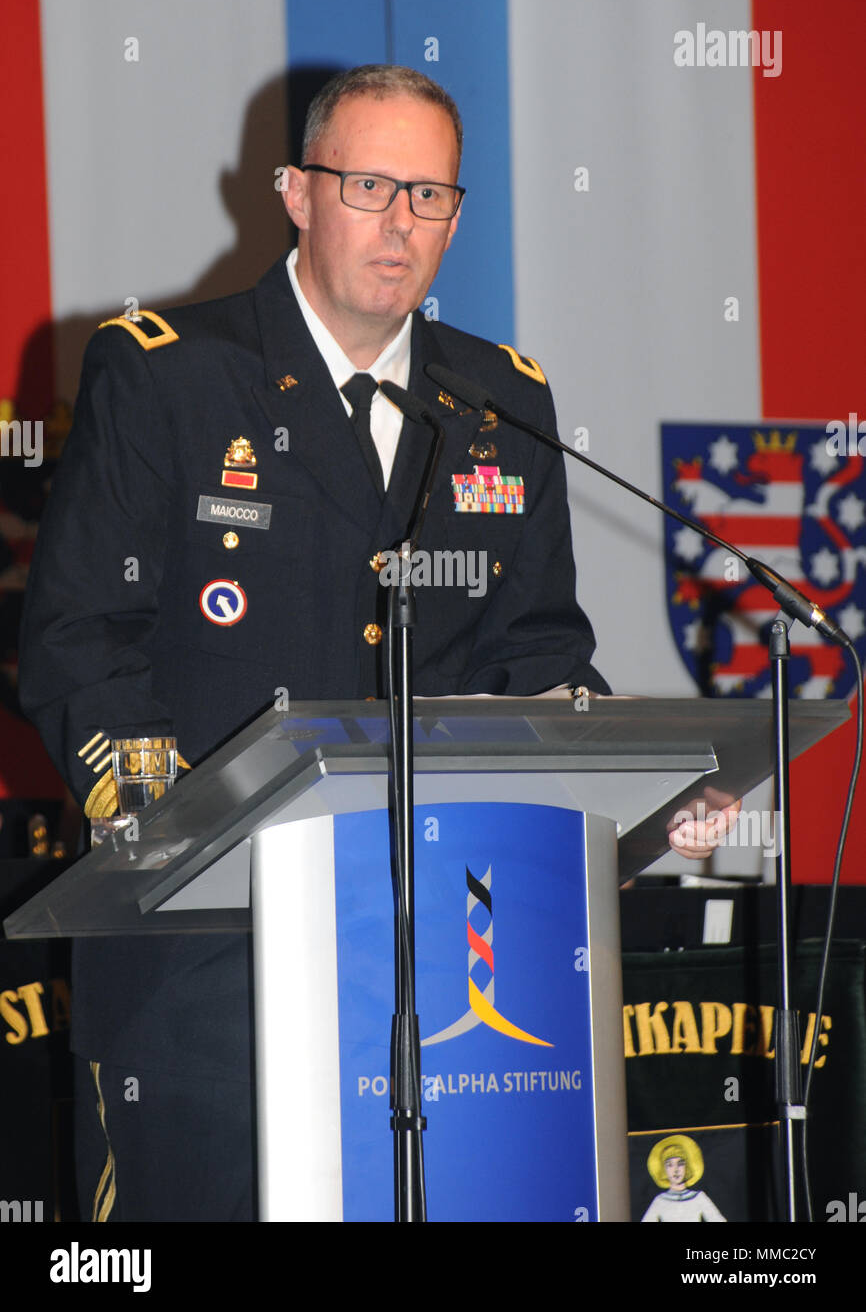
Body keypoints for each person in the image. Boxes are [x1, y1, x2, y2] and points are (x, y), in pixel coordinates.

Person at [19, 65, 731, 1222]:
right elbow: (78, 643)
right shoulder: (168, 375)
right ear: (296, 193)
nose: (401, 225)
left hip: (451, 967)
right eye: (368, 186)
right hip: (211, 971)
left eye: (432, 197)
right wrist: (166, 830)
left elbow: (536, 651)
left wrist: (643, 788)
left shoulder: (500, 400)